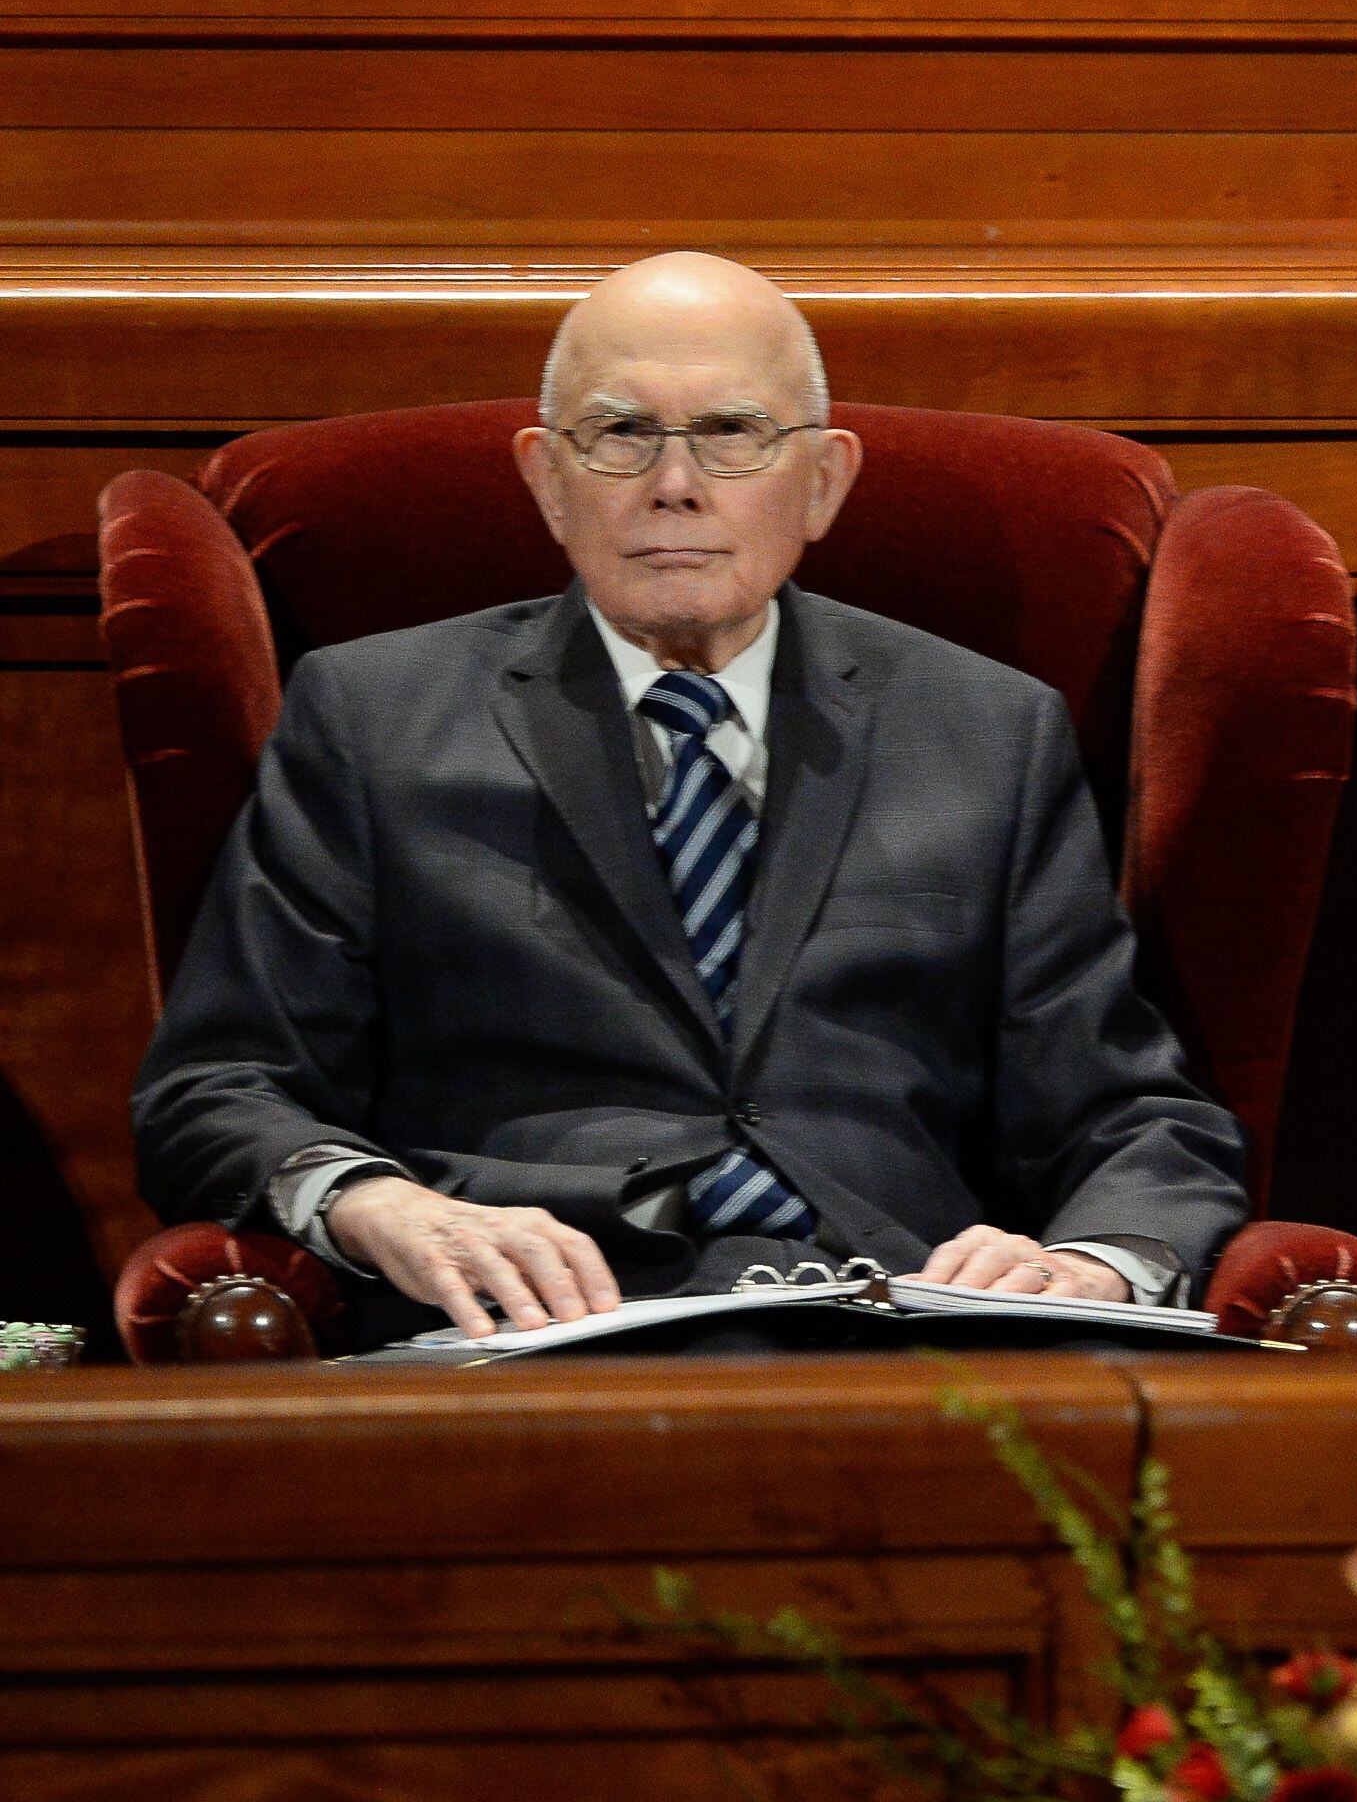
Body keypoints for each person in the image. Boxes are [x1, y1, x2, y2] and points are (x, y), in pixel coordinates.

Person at [134, 252, 1249, 1344]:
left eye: (731, 434)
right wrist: (381, 1208)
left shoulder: (986, 730)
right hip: (532, 1331)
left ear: (824, 480)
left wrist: (1089, 1261)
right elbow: (219, 1087)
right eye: (621, 433)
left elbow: (1132, 1115)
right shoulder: (374, 716)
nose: (676, 484)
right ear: (544, 478)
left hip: (895, 1332)